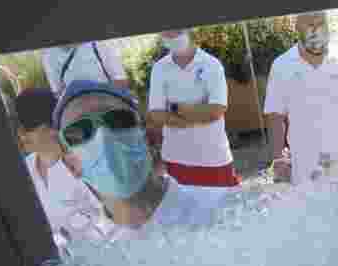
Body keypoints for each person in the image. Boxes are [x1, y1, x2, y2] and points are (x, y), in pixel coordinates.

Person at [52, 80, 232, 240]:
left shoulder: (224, 209)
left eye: (117, 120)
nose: (103, 136)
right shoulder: (91, 262)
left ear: (150, 138)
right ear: (71, 166)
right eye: (80, 132)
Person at [263, 11, 338, 184]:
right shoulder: (281, 66)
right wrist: (279, 160)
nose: (315, 30)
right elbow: (275, 117)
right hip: (304, 168)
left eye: (320, 23)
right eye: (309, 24)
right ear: (297, 27)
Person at [145, 30, 240, 188]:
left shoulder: (212, 64)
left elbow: (216, 110)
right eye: (165, 32)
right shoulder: (159, 68)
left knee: (224, 210)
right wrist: (199, 112)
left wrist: (174, 109)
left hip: (214, 157)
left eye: (175, 31)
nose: (170, 35)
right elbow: (156, 114)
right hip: (175, 160)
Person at [14, 88, 104, 247]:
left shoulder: (85, 161)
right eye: (19, 126)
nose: (21, 134)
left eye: (28, 127)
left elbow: (111, 217)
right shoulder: (23, 171)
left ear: (52, 128)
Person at [42, 41, 131, 98]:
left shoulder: (98, 43)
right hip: (77, 107)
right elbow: (58, 92)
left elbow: (121, 80)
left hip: (109, 100)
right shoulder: (49, 55)